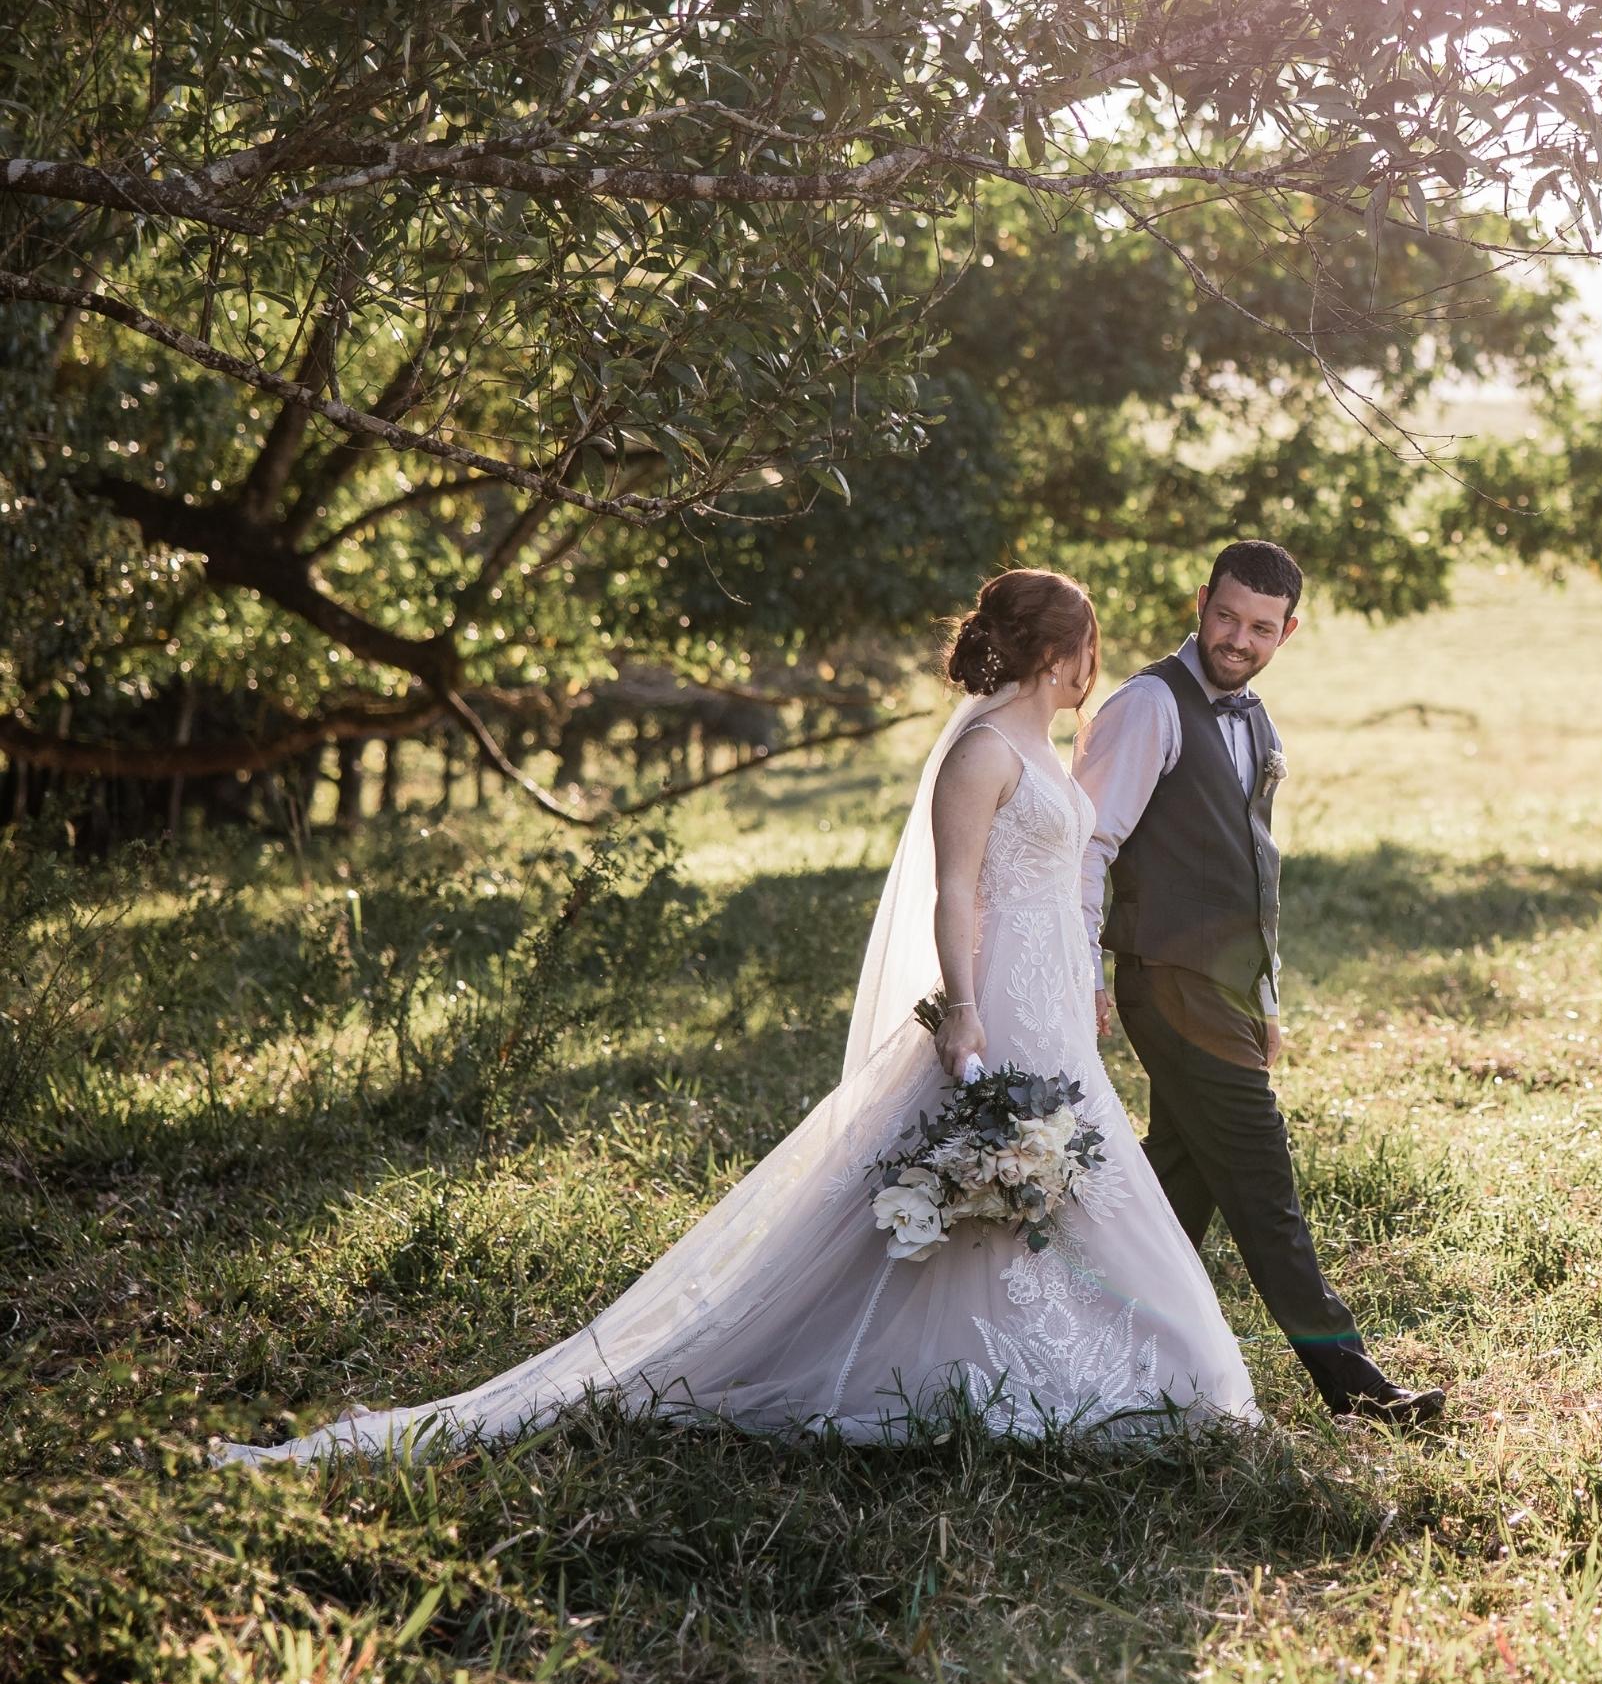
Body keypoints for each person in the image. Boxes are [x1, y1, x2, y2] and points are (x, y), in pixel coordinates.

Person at [212, 570, 1256, 1463]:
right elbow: (957, 892)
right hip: (998, 1004)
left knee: (1045, 1187)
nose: (1092, 671)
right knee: (970, 1187)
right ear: (1063, 654)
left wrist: (1075, 985)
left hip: (1054, 1004)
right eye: (1087, 651)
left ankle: (1074, 1362)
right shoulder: (982, 752)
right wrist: (967, 1010)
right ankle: (1009, 1367)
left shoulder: (1044, 753)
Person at [1074, 541, 1446, 1427]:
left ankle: (1105, 1363)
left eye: (1261, 628)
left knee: (1180, 1182)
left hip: (1230, 991)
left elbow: (1254, 871)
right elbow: (1084, 848)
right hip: (1167, 982)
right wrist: (1084, 972)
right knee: (1263, 1184)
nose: (1238, 639)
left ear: (1289, 630)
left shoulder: (1257, 720)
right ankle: (1356, 1393)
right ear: (1201, 599)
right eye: (1226, 617)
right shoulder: (1146, 708)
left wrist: (1266, 998)